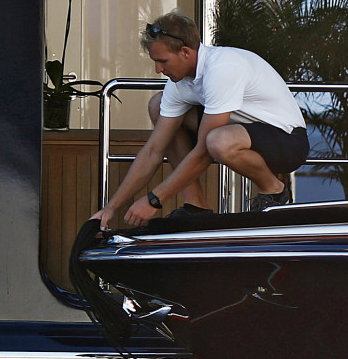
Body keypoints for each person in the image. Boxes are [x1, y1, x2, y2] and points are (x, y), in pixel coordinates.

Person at [92, 11, 309, 227]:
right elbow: (153, 150)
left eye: (162, 61)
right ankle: (196, 205)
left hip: (289, 141)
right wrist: (111, 207)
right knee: (158, 105)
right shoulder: (179, 83)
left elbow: (204, 151)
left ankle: (273, 190)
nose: (158, 70)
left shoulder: (222, 69)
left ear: (185, 52)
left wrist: (154, 200)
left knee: (217, 140)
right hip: (239, 133)